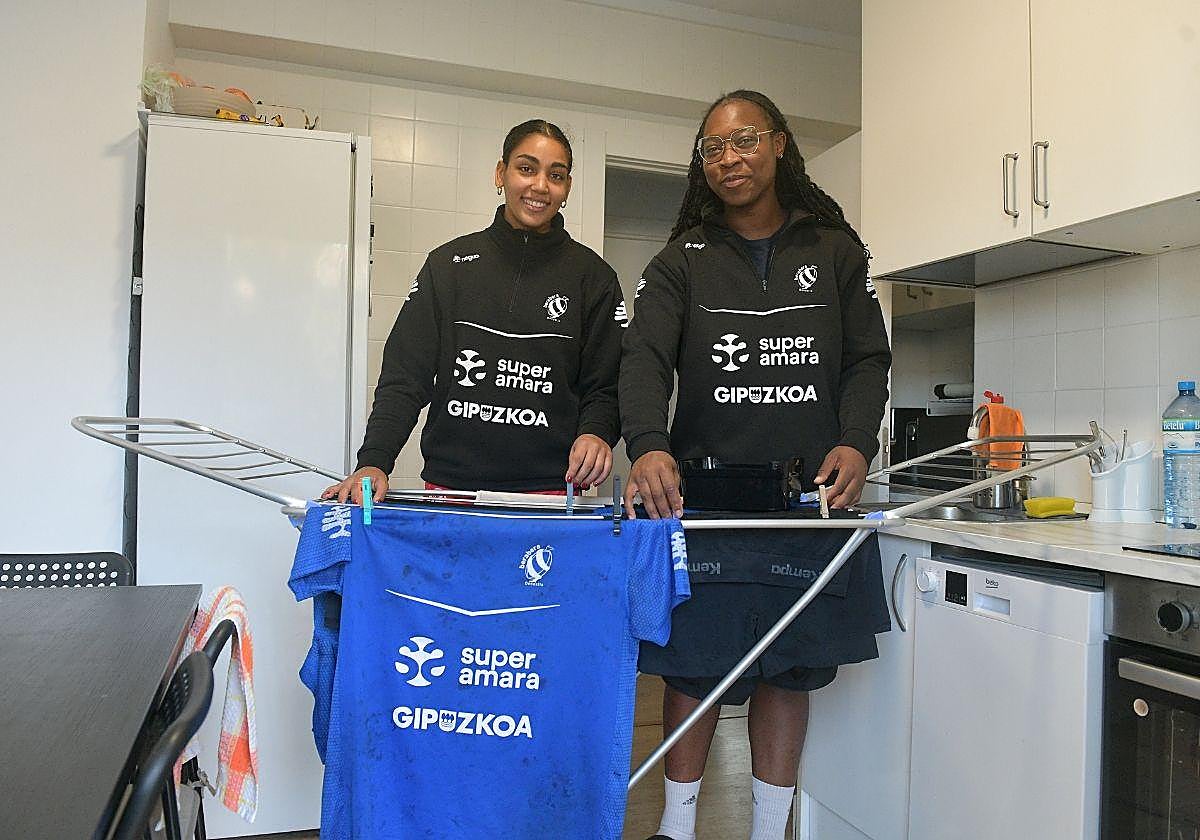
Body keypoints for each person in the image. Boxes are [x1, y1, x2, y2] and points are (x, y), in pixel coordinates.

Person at [619, 90, 892, 840]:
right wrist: (647, 444)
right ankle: (676, 830)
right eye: (712, 148)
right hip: (703, 502)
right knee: (694, 672)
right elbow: (642, 360)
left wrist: (857, 440)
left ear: (777, 144)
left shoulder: (836, 251)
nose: (728, 159)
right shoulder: (681, 262)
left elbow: (869, 359)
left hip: (805, 500)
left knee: (790, 669)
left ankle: (769, 830)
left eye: (742, 142)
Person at [324, 120, 625, 503]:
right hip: (452, 490)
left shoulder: (594, 278)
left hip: (552, 494)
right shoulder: (448, 265)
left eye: (556, 175)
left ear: (567, 188)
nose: (540, 186)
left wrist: (597, 432)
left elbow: (608, 385)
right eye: (526, 168)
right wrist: (375, 461)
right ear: (501, 174)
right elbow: (405, 376)